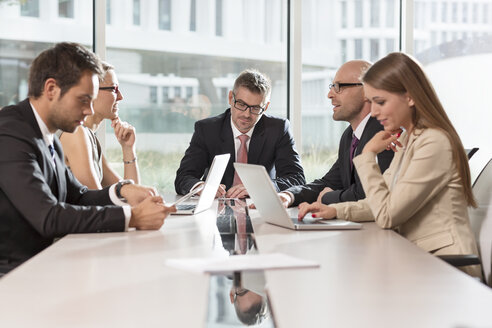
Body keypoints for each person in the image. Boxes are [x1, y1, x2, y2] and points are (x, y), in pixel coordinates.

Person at [298, 53, 481, 278]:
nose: (374, 112)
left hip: (447, 269)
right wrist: (335, 210)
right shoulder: (408, 141)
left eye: (380, 102)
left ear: (410, 97)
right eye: (372, 101)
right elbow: (381, 202)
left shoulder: (434, 142)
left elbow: (386, 215)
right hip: (417, 259)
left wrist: (367, 155)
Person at [0, 42, 175, 275]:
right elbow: (48, 216)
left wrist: (122, 191)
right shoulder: (10, 134)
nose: (89, 111)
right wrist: (131, 217)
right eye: (83, 100)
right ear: (51, 89)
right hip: (12, 277)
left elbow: (79, 195)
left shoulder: (47, 133)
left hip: (39, 265)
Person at [175, 69, 305, 199]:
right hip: (217, 204)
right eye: (241, 104)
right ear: (231, 98)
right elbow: (183, 177)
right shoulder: (207, 129)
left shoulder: (278, 129)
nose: (246, 114)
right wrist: (200, 187)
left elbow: (297, 179)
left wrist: (258, 187)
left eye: (255, 108)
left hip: (260, 204)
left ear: (265, 107)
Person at [279, 60, 394, 207]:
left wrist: (328, 197)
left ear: (367, 91)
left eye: (339, 86)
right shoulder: (349, 136)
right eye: (332, 86)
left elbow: (366, 194)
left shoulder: (383, 133)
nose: (329, 94)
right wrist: (289, 195)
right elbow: (330, 181)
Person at [59, 61, 139, 189]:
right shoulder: (76, 133)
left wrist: (128, 149)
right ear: (91, 91)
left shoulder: (89, 137)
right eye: (114, 89)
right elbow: (95, 201)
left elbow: (130, 195)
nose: (120, 96)